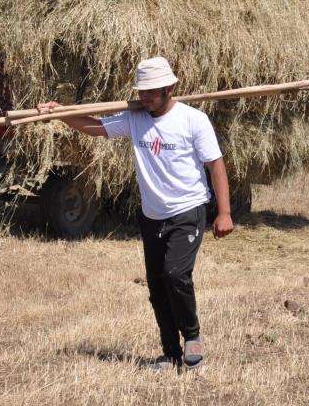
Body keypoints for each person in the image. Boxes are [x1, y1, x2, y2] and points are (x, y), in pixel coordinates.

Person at [37, 57, 234, 372]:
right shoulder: (135, 118)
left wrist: (223, 212)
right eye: (141, 91)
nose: (144, 97)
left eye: (151, 91)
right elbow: (97, 127)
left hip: (187, 209)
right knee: (157, 286)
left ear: (169, 88)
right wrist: (62, 112)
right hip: (151, 214)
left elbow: (216, 165)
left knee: (175, 274)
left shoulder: (193, 120)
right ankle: (170, 353)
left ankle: (192, 337)